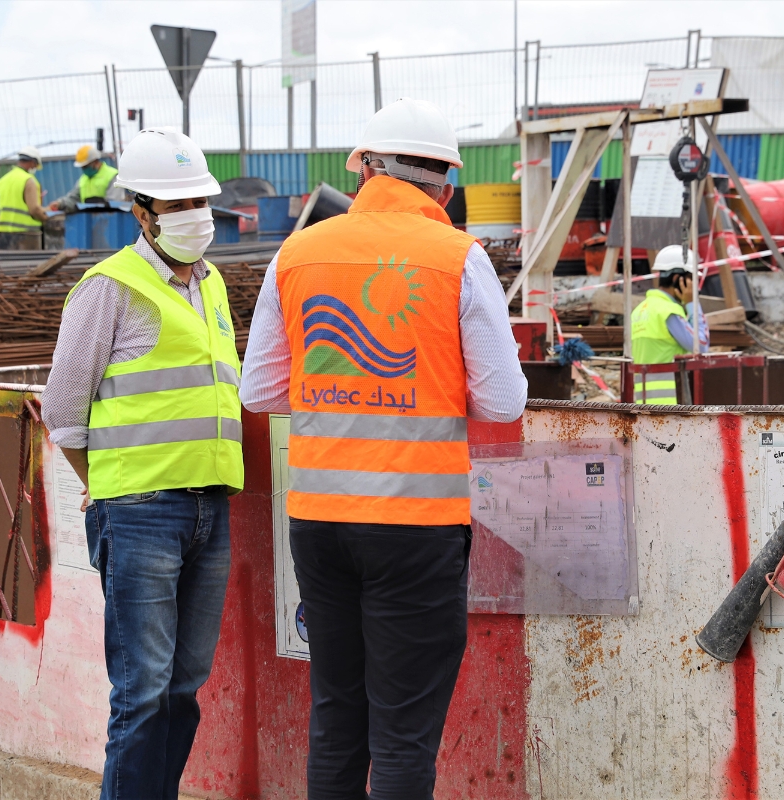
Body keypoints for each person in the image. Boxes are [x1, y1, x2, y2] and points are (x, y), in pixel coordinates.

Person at [240, 97, 527, 799]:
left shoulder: (297, 253)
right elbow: (504, 400)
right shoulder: (459, 258)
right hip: (415, 528)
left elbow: (259, 391)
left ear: (362, 169)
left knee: (338, 715)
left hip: (319, 523)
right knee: (403, 734)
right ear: (447, 188)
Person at [40, 128, 242, 800]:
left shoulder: (211, 285)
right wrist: (109, 488)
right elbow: (63, 412)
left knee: (183, 690)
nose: (193, 215)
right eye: (176, 203)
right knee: (143, 692)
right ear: (141, 212)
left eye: (199, 200)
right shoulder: (109, 287)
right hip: (140, 517)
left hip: (211, 508)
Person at [629, 245, 710, 404]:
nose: (694, 288)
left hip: (644, 404)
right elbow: (701, 345)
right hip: (670, 405)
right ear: (678, 280)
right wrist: (693, 304)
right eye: (691, 281)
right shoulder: (668, 312)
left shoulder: (639, 311)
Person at [0, 145, 48, 249]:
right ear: (32, 162)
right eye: (35, 165)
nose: (35, 168)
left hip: (3, 234)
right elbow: (34, 209)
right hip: (25, 237)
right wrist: (45, 218)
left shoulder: (4, 180)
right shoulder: (29, 180)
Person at [49, 144, 123, 213]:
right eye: (82, 167)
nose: (84, 169)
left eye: (86, 166)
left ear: (95, 161)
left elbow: (114, 203)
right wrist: (60, 203)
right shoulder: (83, 180)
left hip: (109, 218)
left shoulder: (112, 175)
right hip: (88, 220)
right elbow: (73, 199)